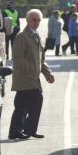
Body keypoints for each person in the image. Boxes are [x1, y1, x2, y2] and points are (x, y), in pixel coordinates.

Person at [8, 9, 55, 139]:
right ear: (27, 20)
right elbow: (18, 58)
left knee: (23, 105)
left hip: (33, 77)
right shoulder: (22, 36)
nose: (36, 22)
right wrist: (31, 69)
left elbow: (41, 59)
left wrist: (47, 73)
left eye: (38, 20)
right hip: (25, 77)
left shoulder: (36, 35)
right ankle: (25, 130)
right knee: (32, 101)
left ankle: (22, 130)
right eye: (33, 19)